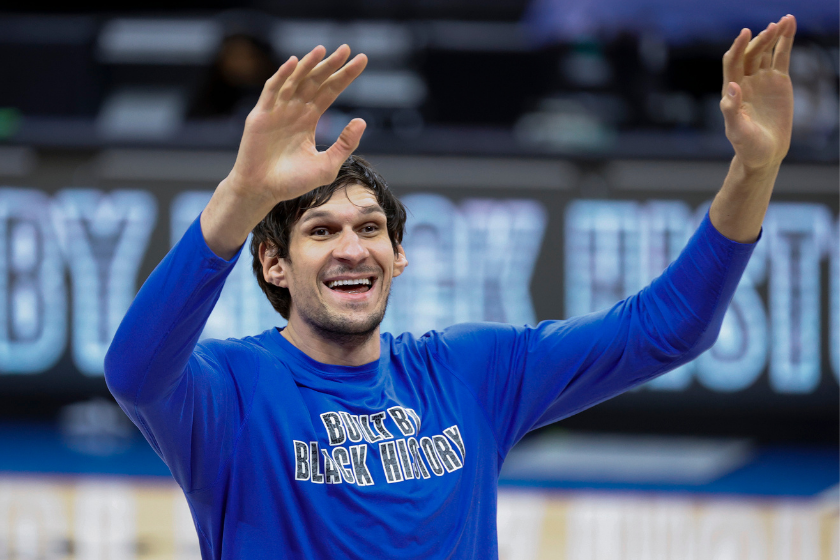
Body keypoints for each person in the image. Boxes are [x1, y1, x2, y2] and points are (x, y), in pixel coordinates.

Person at [105, 15, 796, 560]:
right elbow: (134, 372)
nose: (352, 247)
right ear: (273, 264)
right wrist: (244, 194)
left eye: (371, 228)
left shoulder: (469, 370)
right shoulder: (232, 388)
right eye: (320, 231)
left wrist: (754, 171)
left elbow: (671, 328)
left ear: (398, 255)